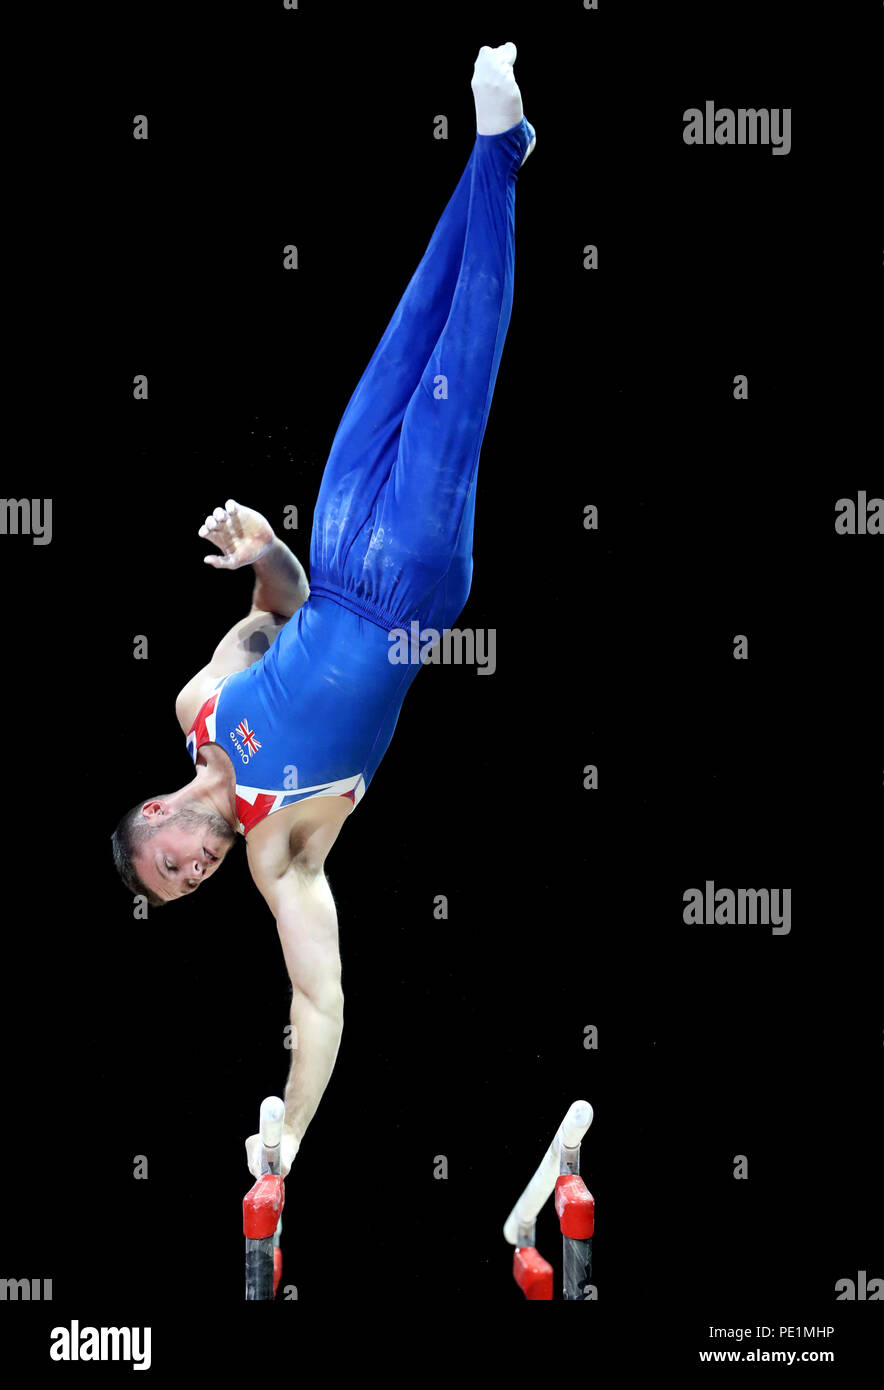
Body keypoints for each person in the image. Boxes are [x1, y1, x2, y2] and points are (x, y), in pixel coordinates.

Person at [111, 43, 535, 1178]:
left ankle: (499, 151)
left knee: (408, 329)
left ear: (156, 811)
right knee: (467, 356)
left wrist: (266, 546)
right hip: (406, 593)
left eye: (174, 861)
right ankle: (498, 148)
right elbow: (321, 996)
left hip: (338, 540)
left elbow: (278, 609)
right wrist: (288, 1129)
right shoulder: (279, 856)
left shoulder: (202, 701)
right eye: (190, 885)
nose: (196, 873)